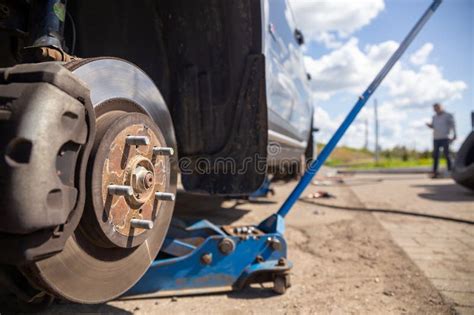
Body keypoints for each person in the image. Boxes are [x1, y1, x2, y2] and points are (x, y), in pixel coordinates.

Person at [426, 103, 456, 178]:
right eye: (434, 109)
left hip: (445, 137)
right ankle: (435, 172)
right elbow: (433, 126)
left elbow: (453, 125)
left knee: (447, 154)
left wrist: (455, 135)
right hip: (436, 138)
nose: (435, 110)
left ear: (441, 107)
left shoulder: (448, 115)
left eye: (437, 108)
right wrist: (430, 126)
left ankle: (450, 171)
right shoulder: (434, 117)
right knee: (435, 156)